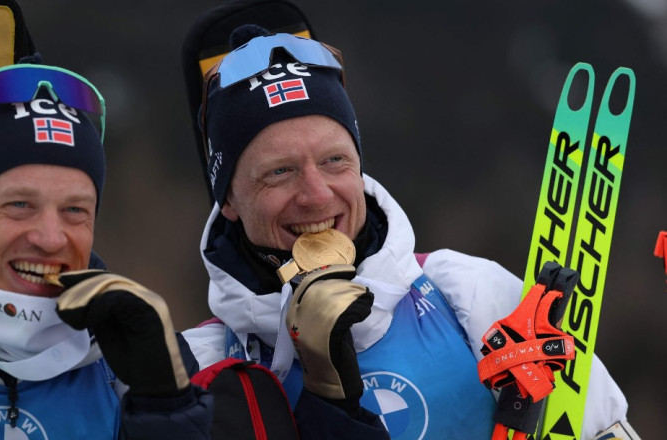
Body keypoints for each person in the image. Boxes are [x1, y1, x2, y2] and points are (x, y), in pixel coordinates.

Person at [181, 27, 633, 439]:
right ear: (229, 199)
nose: (317, 195)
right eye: (280, 171)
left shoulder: (469, 294)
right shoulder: (198, 371)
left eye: (335, 160)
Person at [0, 63, 213, 439]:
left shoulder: (133, 358)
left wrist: (166, 408)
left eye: (74, 210)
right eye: (20, 205)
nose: (51, 239)